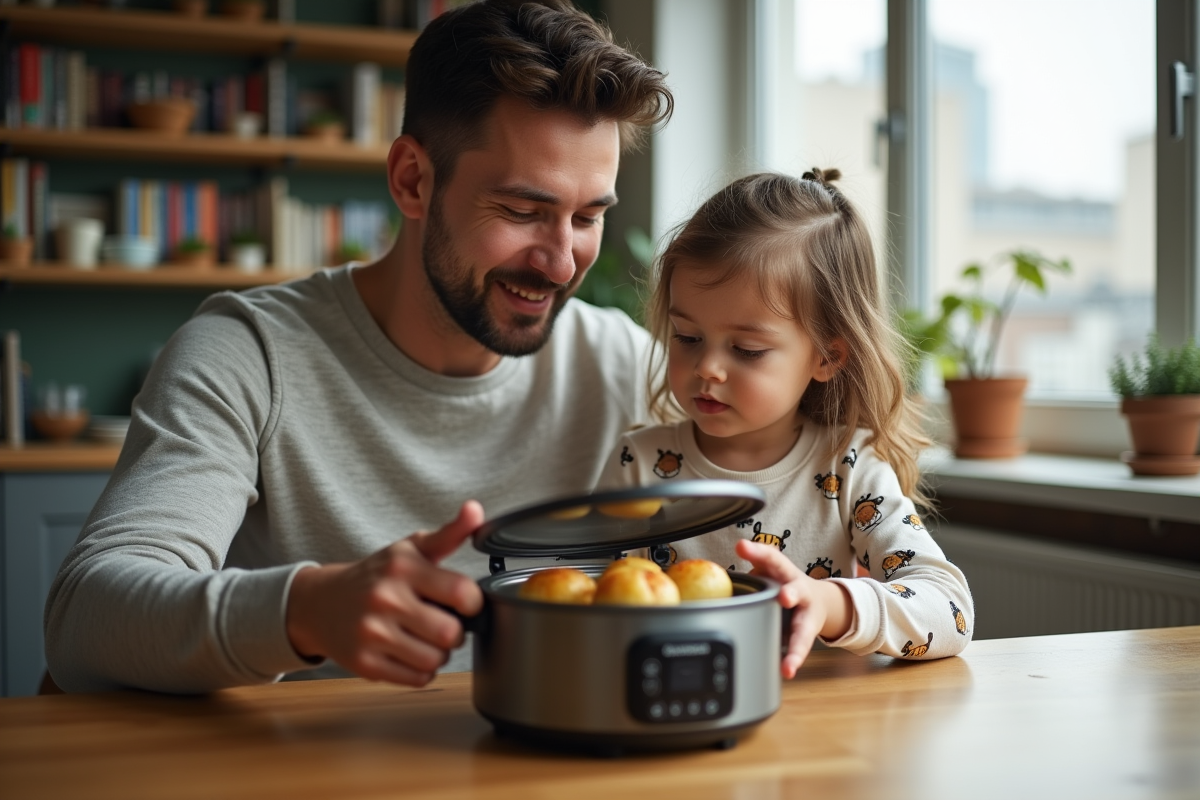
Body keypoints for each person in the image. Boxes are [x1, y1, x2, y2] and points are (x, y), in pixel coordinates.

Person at [44, 0, 673, 693]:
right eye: (523, 211)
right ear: (412, 179)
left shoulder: (621, 364)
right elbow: (84, 619)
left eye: (587, 218)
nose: (561, 263)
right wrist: (304, 610)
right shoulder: (247, 355)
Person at [596, 170, 974, 676]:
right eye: (687, 337)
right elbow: (583, 593)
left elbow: (950, 609)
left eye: (747, 349)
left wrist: (827, 603)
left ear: (825, 357)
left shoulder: (850, 467)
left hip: (813, 726)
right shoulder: (640, 462)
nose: (708, 367)